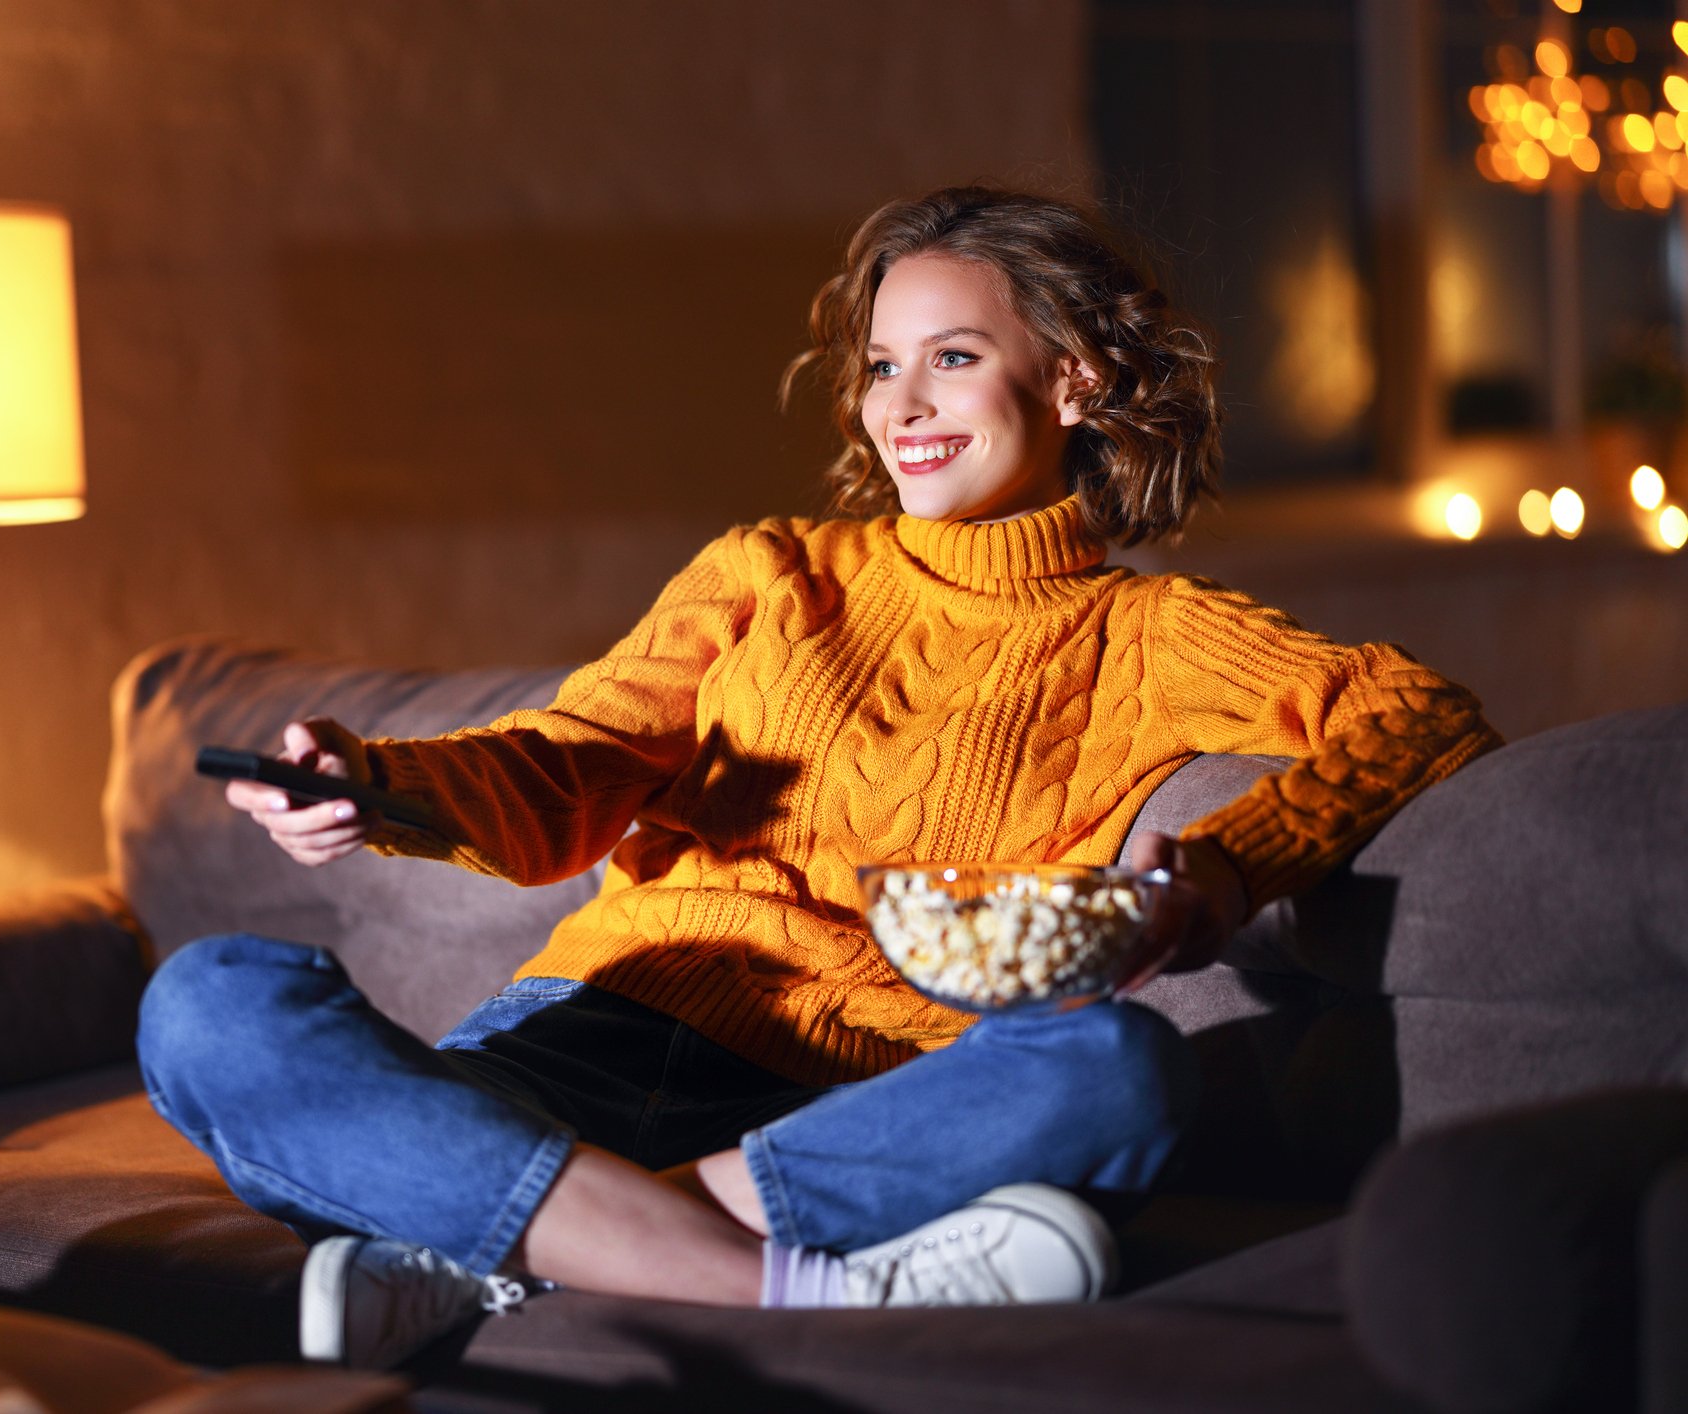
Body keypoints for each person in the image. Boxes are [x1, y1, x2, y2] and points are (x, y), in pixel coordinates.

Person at [135, 186, 1501, 1370]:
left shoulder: (1149, 636)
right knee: (207, 1003)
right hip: (579, 1045)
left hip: (853, 1104)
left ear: (1075, 376)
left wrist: (1220, 867)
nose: (898, 406)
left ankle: (492, 1243)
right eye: (880, 364)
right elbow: (575, 758)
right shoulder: (768, 573)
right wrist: (375, 781)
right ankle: (782, 1282)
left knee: (1119, 1067)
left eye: (951, 358)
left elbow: (1415, 708)